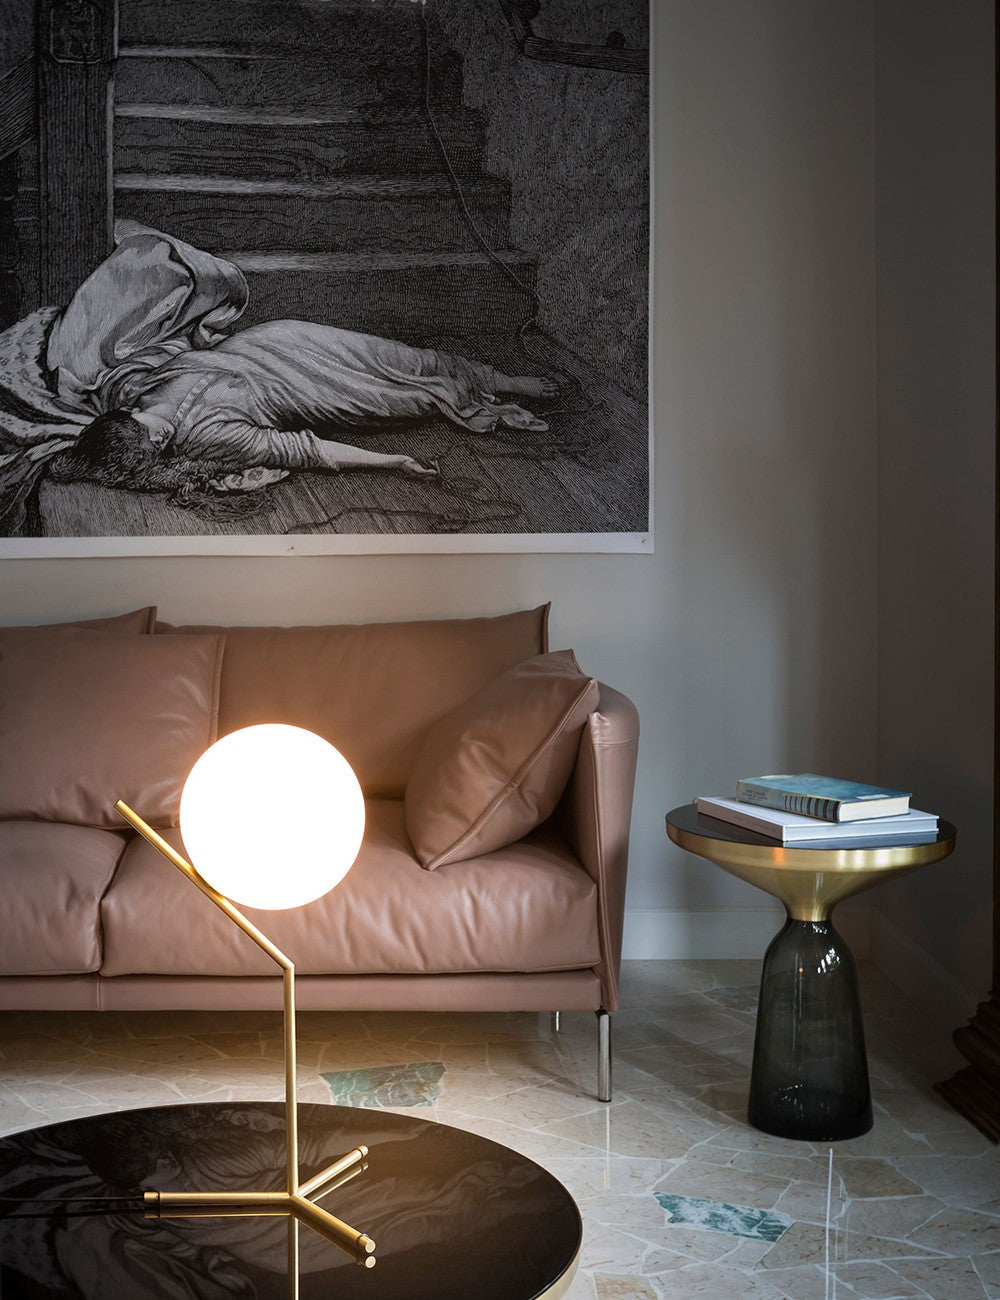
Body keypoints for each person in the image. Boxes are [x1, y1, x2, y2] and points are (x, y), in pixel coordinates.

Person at [0, 222, 556, 535]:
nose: (160, 424)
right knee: (409, 395)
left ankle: (504, 378)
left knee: (407, 358)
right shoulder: (211, 439)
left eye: (145, 423)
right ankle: (490, 390)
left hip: (282, 342)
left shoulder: (129, 387)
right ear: (157, 451)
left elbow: (125, 340)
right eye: (156, 438)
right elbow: (308, 450)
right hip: (315, 395)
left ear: (125, 417)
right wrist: (393, 463)